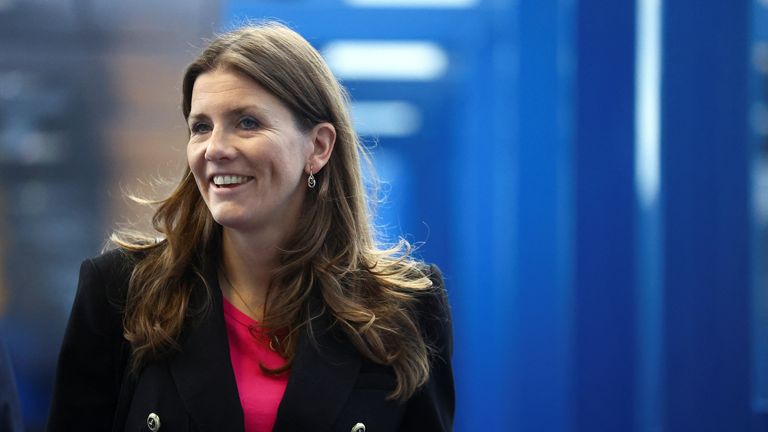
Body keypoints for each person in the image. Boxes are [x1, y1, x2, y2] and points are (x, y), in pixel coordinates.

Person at [47, 21, 454, 432]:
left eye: (247, 123)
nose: (215, 149)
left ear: (318, 147)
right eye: (201, 126)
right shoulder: (120, 291)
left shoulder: (405, 309)